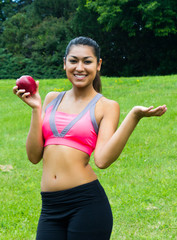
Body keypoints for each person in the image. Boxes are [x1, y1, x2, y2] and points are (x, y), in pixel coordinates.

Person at [13, 36, 167, 240]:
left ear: (98, 64)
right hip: (50, 208)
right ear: (64, 62)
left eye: (87, 61)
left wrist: (134, 116)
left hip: (86, 204)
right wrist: (36, 109)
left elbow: (102, 160)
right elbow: (33, 156)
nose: (80, 67)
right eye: (73, 60)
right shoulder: (51, 99)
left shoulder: (106, 106)